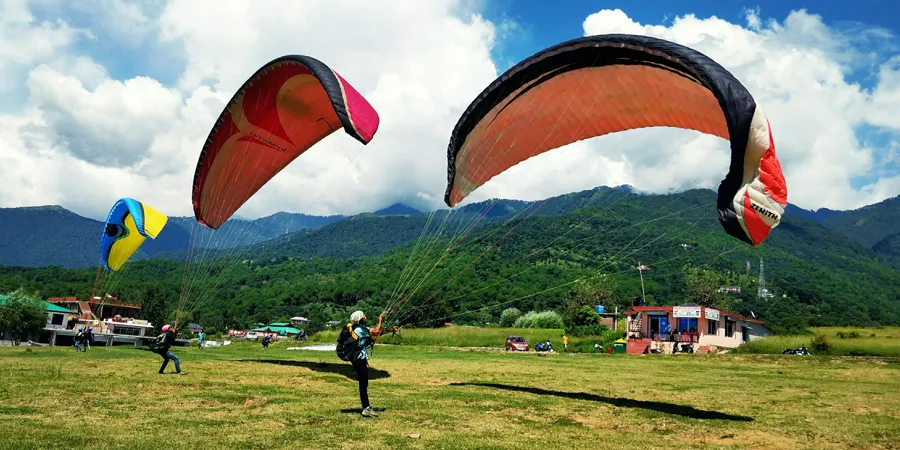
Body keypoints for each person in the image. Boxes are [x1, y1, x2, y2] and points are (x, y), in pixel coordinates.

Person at [348, 310, 384, 418]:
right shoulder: (359, 329)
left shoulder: (360, 328)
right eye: (363, 315)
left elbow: (374, 335)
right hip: (359, 359)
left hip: (358, 359)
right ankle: (366, 408)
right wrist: (380, 320)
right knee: (363, 384)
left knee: (364, 383)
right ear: (361, 319)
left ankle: (366, 407)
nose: (365, 316)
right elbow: (376, 332)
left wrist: (390, 329)